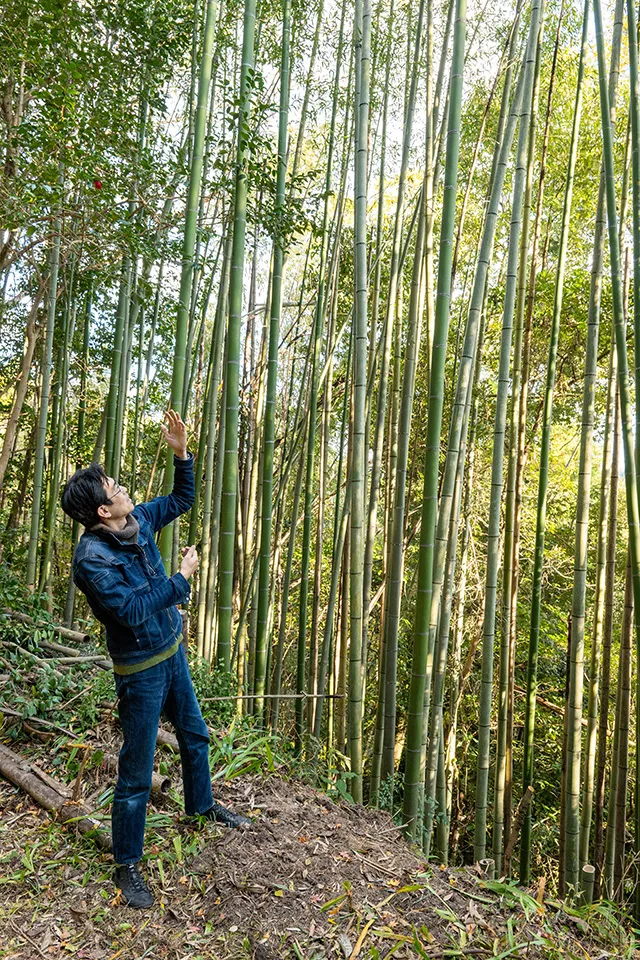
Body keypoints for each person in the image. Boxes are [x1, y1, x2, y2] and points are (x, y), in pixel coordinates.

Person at [61, 409, 249, 909]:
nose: (123, 488)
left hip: (172, 652)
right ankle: (128, 865)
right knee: (137, 770)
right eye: (114, 486)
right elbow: (131, 610)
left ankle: (202, 807)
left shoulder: (137, 519)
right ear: (103, 511)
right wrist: (182, 578)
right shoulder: (92, 561)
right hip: (139, 670)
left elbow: (182, 499)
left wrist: (181, 453)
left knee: (194, 735)